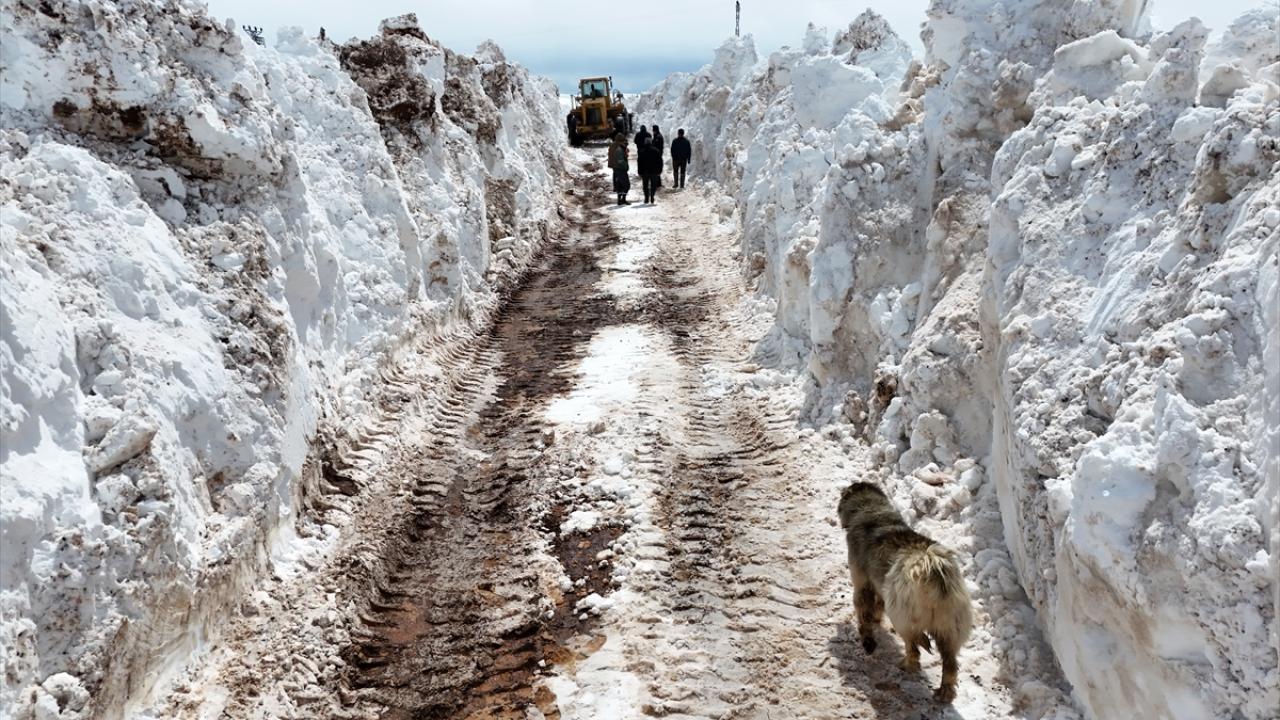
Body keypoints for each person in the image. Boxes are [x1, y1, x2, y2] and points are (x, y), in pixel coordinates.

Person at [607, 132, 631, 205]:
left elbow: (610, 154)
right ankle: (622, 199)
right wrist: (626, 166)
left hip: (615, 165)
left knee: (618, 181)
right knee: (626, 184)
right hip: (620, 167)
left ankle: (619, 197)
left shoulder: (612, 145)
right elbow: (621, 159)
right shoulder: (619, 147)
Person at [637, 137, 662, 204]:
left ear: (645, 143)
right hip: (654, 171)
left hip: (645, 171)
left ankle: (646, 198)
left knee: (645, 185)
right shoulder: (656, 151)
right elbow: (660, 162)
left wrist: (639, 171)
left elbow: (639, 162)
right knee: (653, 185)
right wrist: (660, 170)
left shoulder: (642, 151)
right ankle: (652, 196)